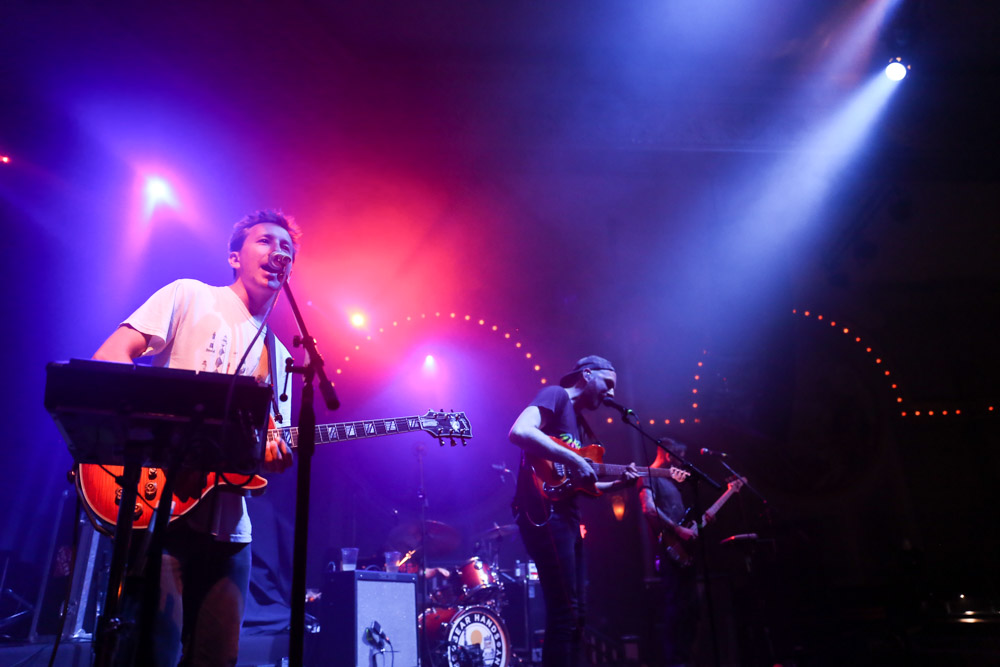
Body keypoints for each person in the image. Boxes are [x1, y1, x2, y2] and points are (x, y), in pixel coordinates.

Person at [92, 209, 298, 666]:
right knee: (153, 653)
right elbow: (110, 356)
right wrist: (155, 436)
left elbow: (268, 443)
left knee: (216, 659)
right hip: (161, 509)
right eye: (265, 241)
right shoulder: (189, 295)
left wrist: (272, 452)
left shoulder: (281, 356)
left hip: (230, 532)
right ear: (235, 256)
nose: (278, 252)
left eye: (287, 248)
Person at [509, 355, 639, 667]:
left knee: (578, 614)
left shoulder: (578, 423)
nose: (611, 393)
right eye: (607, 383)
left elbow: (580, 484)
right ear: (587, 374)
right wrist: (575, 459)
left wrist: (618, 484)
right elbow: (519, 431)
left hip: (567, 517)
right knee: (564, 612)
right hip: (547, 514)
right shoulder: (555, 395)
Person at [638, 444, 699, 667]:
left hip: (684, 552)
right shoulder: (647, 474)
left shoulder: (672, 481)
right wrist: (677, 529)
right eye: (679, 456)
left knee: (691, 608)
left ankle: (685, 658)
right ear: (666, 454)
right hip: (667, 550)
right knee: (676, 607)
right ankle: (675, 662)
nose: (682, 462)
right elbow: (649, 508)